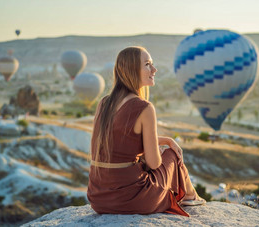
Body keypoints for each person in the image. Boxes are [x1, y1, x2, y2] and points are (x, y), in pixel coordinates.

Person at [87, 46, 206, 217]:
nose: (154, 69)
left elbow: (121, 140)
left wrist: (165, 139)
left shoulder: (104, 103)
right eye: (148, 64)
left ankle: (190, 194)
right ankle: (189, 195)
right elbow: (154, 164)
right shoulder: (144, 107)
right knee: (171, 154)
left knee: (163, 149)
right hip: (132, 199)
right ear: (132, 70)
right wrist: (165, 146)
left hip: (98, 199)